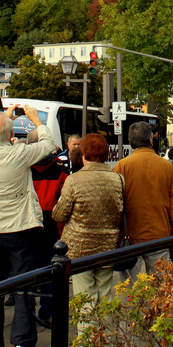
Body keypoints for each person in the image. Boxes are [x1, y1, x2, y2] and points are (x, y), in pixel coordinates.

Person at [0, 106, 57, 347]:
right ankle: (22, 341)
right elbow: (49, 144)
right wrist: (36, 119)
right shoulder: (19, 154)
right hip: (19, 229)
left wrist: (6, 116)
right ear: (10, 137)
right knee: (22, 289)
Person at [52, 133, 123, 330]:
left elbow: (59, 214)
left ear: (84, 154)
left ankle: (88, 340)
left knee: (85, 298)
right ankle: (106, 339)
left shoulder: (74, 180)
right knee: (106, 295)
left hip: (79, 246)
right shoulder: (118, 179)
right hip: (108, 246)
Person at [113, 122, 173, 275]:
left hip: (130, 237)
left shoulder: (121, 166)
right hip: (160, 235)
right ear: (151, 140)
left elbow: (116, 206)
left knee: (130, 291)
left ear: (130, 143)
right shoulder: (167, 167)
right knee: (160, 289)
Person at [26, 128, 68, 324]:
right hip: (52, 222)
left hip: (28, 221)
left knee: (27, 270)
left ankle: (27, 310)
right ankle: (47, 312)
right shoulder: (60, 170)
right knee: (51, 269)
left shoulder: (24, 169)